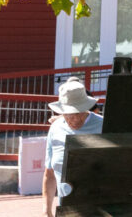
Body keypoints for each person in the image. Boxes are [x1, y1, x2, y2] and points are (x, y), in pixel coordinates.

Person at [43, 80, 104, 217]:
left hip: (99, 209)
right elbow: (50, 173)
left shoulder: (103, 126)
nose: (75, 119)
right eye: (69, 114)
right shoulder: (55, 128)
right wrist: (46, 210)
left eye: (79, 112)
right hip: (67, 210)